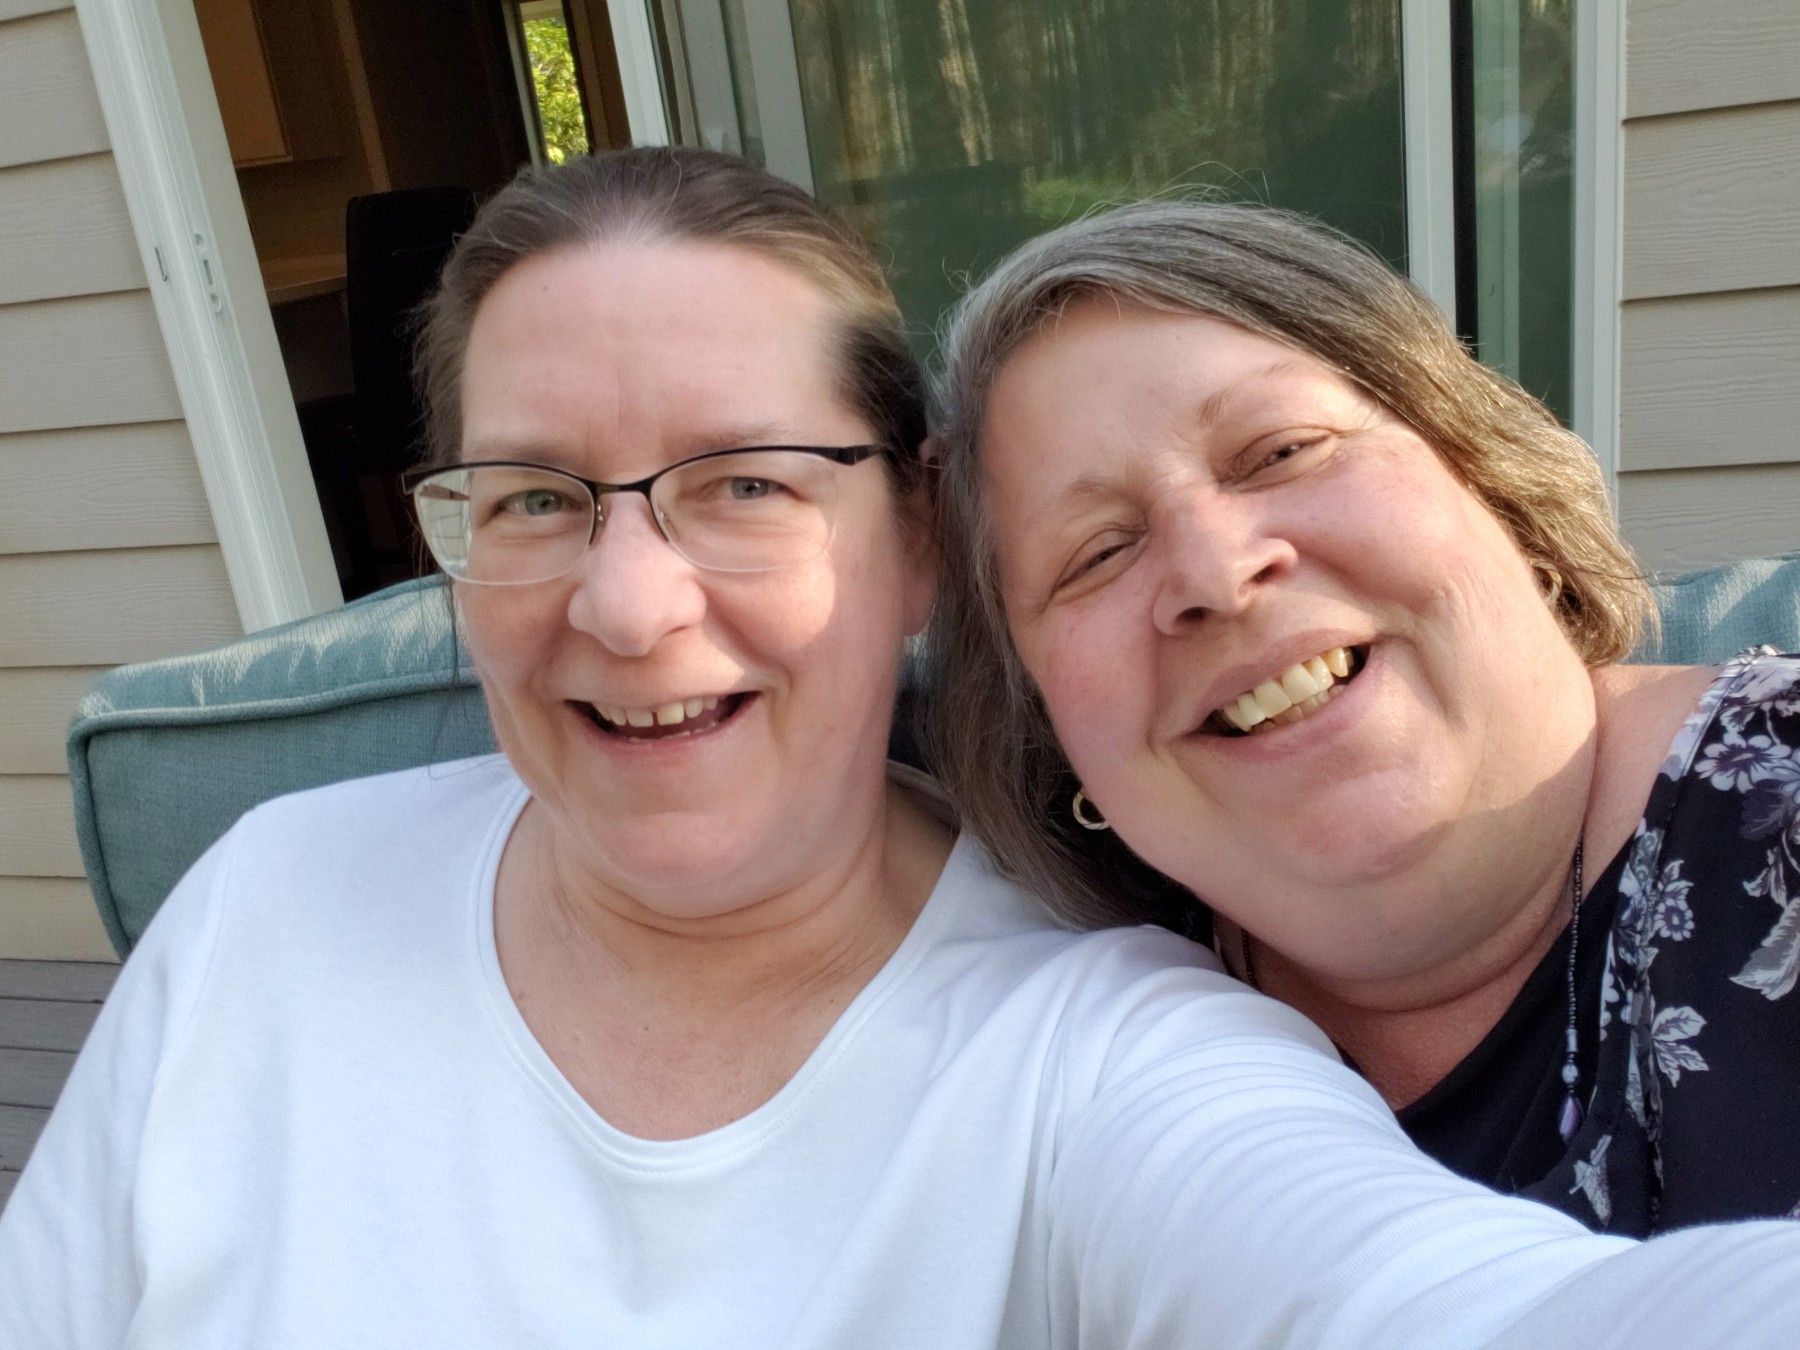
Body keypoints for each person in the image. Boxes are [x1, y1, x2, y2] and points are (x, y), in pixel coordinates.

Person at [7, 151, 1800, 1350]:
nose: (624, 604)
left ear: (918, 542)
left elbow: (1428, 1302)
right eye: (536, 497)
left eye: (744, 483)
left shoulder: (1101, 1044)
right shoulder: (267, 899)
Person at [929, 196, 1800, 1240]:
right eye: (1098, 554)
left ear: (1489, 480)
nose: (1214, 573)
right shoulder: (1053, 1059)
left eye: (1281, 451)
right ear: (1047, 732)